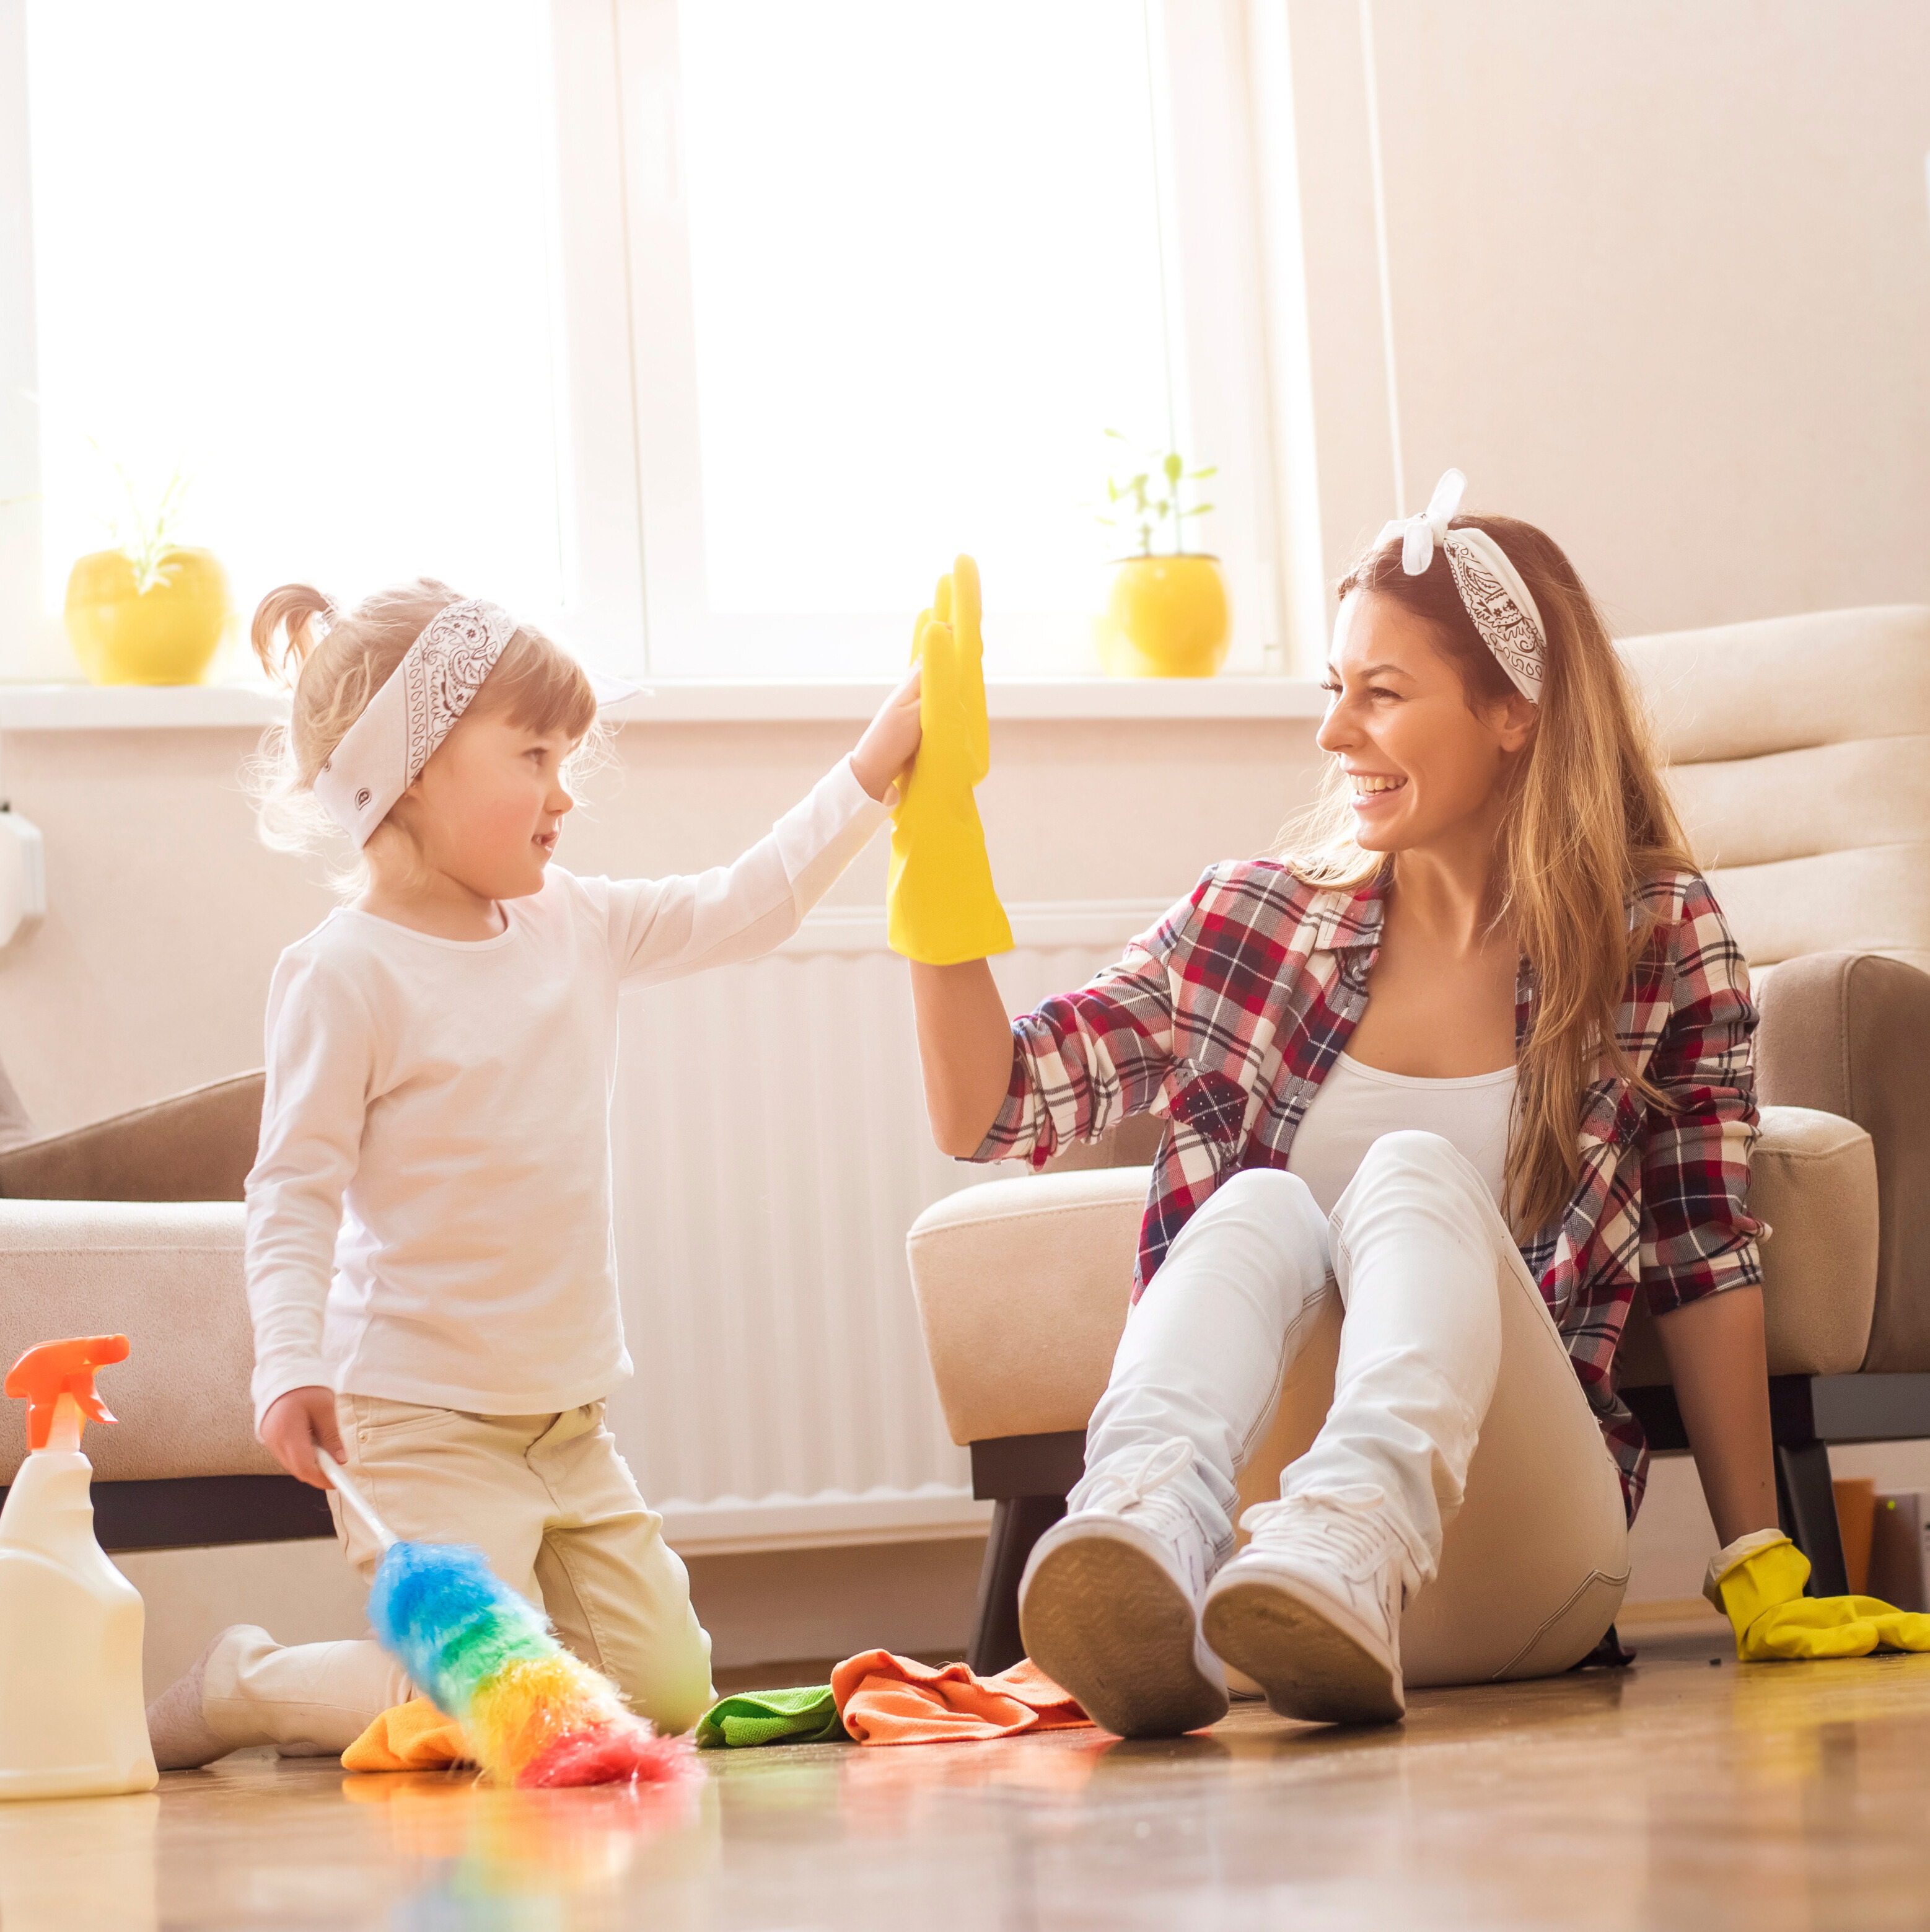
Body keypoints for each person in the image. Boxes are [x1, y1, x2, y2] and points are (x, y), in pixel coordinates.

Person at [895, 480, 1929, 1741]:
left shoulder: (1652, 936)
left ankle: (1358, 1524)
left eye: (1380, 692)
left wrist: (1761, 1554)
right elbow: (991, 1109)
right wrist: (938, 846)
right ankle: (1140, 1521)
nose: (1336, 734)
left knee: (1407, 1175)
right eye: (1332, 690)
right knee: (1261, 1207)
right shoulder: (1248, 925)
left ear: (1511, 711)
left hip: (1510, 1561)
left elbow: (1703, 1248)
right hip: (1248, 1591)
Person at [144, 579, 919, 1768]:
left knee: (665, 1693)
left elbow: (745, 903)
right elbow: (292, 1189)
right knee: (481, 1703)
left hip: (566, 1419)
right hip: (415, 1421)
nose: (565, 793)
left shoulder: (576, 923)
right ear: (408, 771)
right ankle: (244, 1682)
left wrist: (875, 766)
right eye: (537, 755)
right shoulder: (345, 972)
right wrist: (290, 1362)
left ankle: (494, 1663)